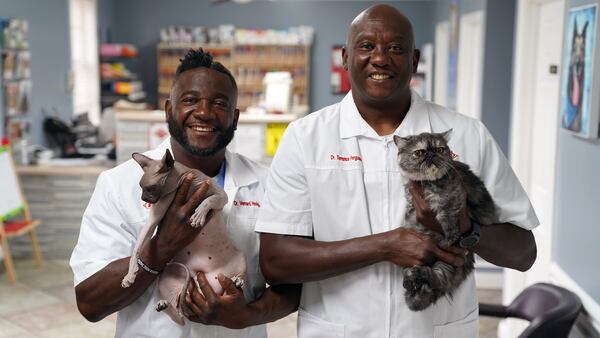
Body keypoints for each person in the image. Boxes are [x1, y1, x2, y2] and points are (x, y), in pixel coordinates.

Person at [256, 4, 538, 338]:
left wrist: (463, 226)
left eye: (395, 48)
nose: (380, 58)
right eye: (366, 46)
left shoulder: (467, 134)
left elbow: (524, 253)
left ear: (414, 60)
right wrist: (387, 245)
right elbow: (276, 262)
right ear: (346, 58)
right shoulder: (306, 138)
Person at [70, 49, 300, 337]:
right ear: (168, 110)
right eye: (190, 100)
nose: (204, 112)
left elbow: (295, 286)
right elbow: (90, 303)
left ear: (235, 117)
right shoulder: (119, 184)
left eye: (219, 103)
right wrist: (160, 247)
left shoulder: (269, 184)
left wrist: (248, 315)